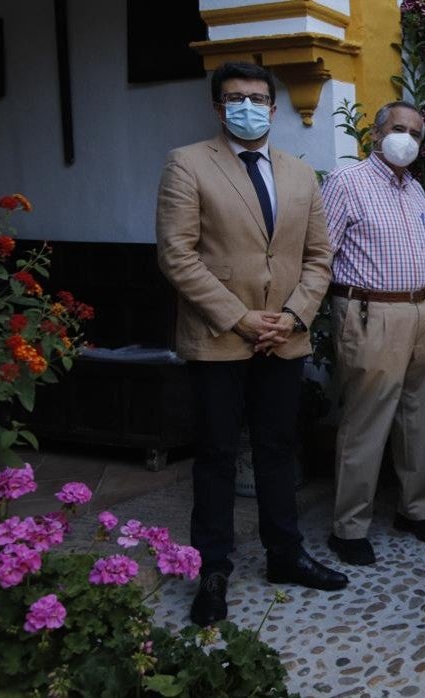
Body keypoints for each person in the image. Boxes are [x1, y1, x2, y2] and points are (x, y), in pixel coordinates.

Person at [155, 61, 348, 627]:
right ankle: (212, 568)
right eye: (236, 98)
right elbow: (176, 254)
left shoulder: (299, 173)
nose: (249, 106)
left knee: (277, 449)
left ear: (273, 107)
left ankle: (284, 554)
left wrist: (292, 317)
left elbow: (319, 256)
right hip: (219, 338)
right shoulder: (187, 164)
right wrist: (240, 318)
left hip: (283, 338)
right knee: (215, 455)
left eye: (259, 98)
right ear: (219, 107)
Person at [321, 100, 425, 566]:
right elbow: (321, 253)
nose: (407, 139)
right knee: (367, 420)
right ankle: (349, 526)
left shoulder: (414, 189)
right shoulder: (346, 182)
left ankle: (415, 509)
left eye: (416, 133)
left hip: (422, 309)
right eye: (399, 128)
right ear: (376, 134)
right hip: (371, 311)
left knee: (420, 416)